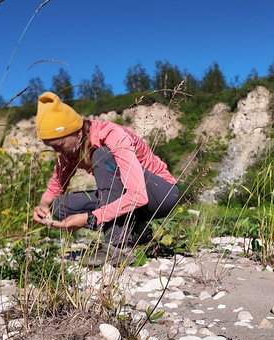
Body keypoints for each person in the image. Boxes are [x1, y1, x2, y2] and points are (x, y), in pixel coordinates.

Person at [31, 92, 179, 252]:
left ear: (78, 132)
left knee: (103, 155)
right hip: (127, 199)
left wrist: (90, 218)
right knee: (60, 206)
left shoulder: (111, 134)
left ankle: (119, 246)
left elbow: (138, 195)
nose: (57, 152)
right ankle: (138, 231)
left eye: (60, 145)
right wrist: (43, 206)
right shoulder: (69, 152)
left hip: (160, 196)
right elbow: (56, 186)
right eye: (51, 147)